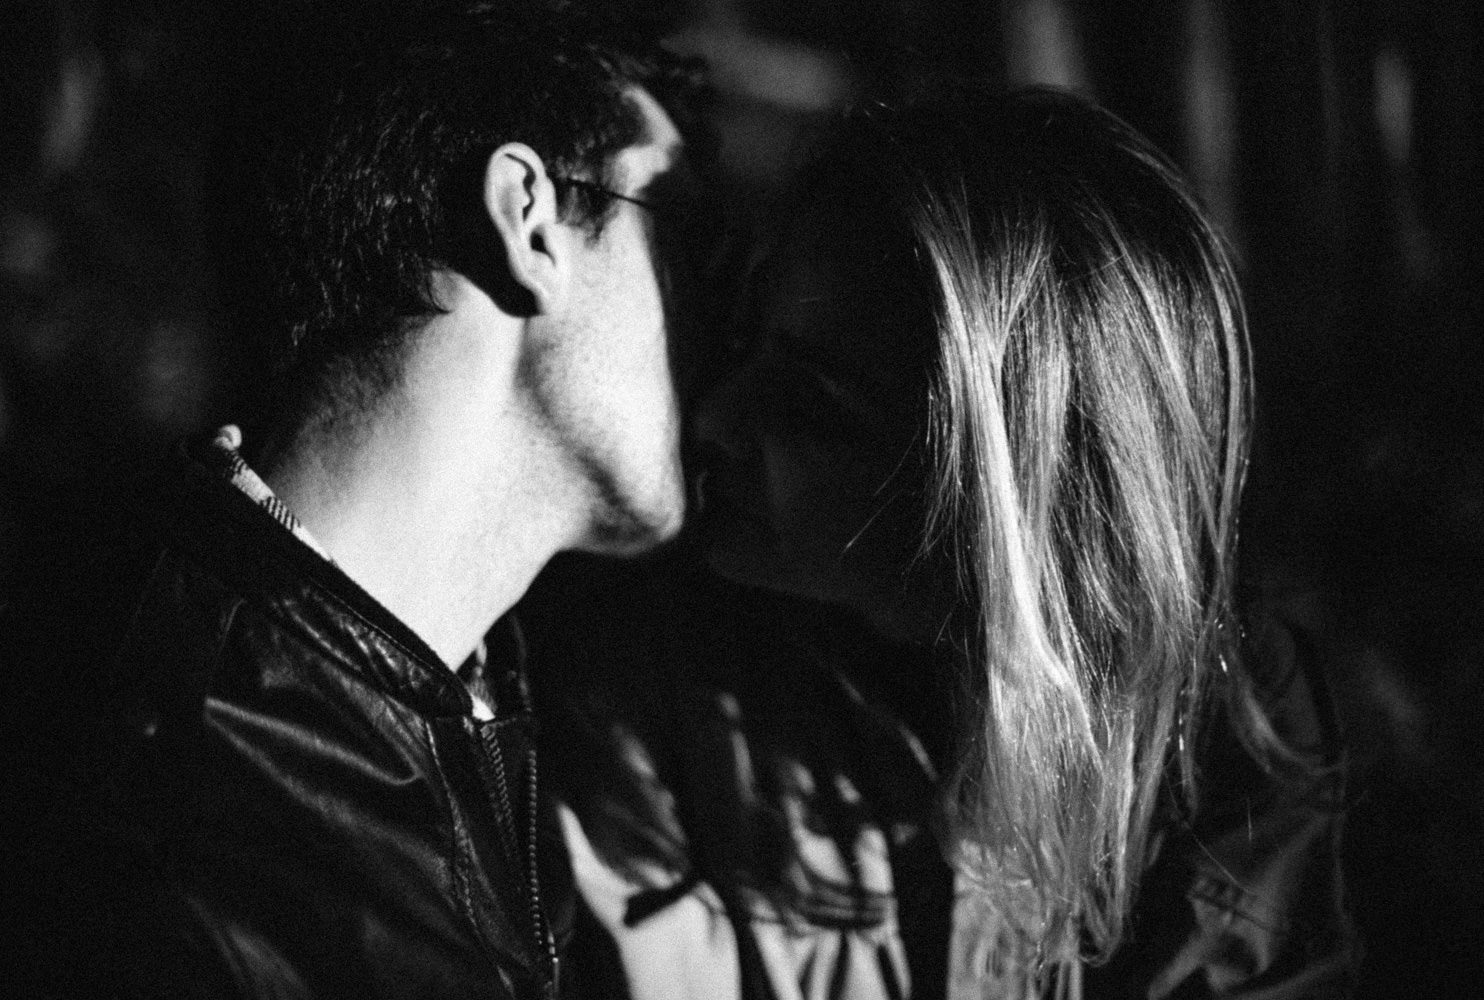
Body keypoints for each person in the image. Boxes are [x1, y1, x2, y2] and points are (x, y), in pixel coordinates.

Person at [530, 88, 1358, 999]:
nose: (717, 417)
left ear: (1005, 493)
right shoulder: (644, 659)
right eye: (743, 338)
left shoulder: (1224, 728)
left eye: (813, 405)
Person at [0, 2, 704, 997]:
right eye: (686, 230)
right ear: (530, 219)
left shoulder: (463, 716)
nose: (724, 314)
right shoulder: (161, 853)